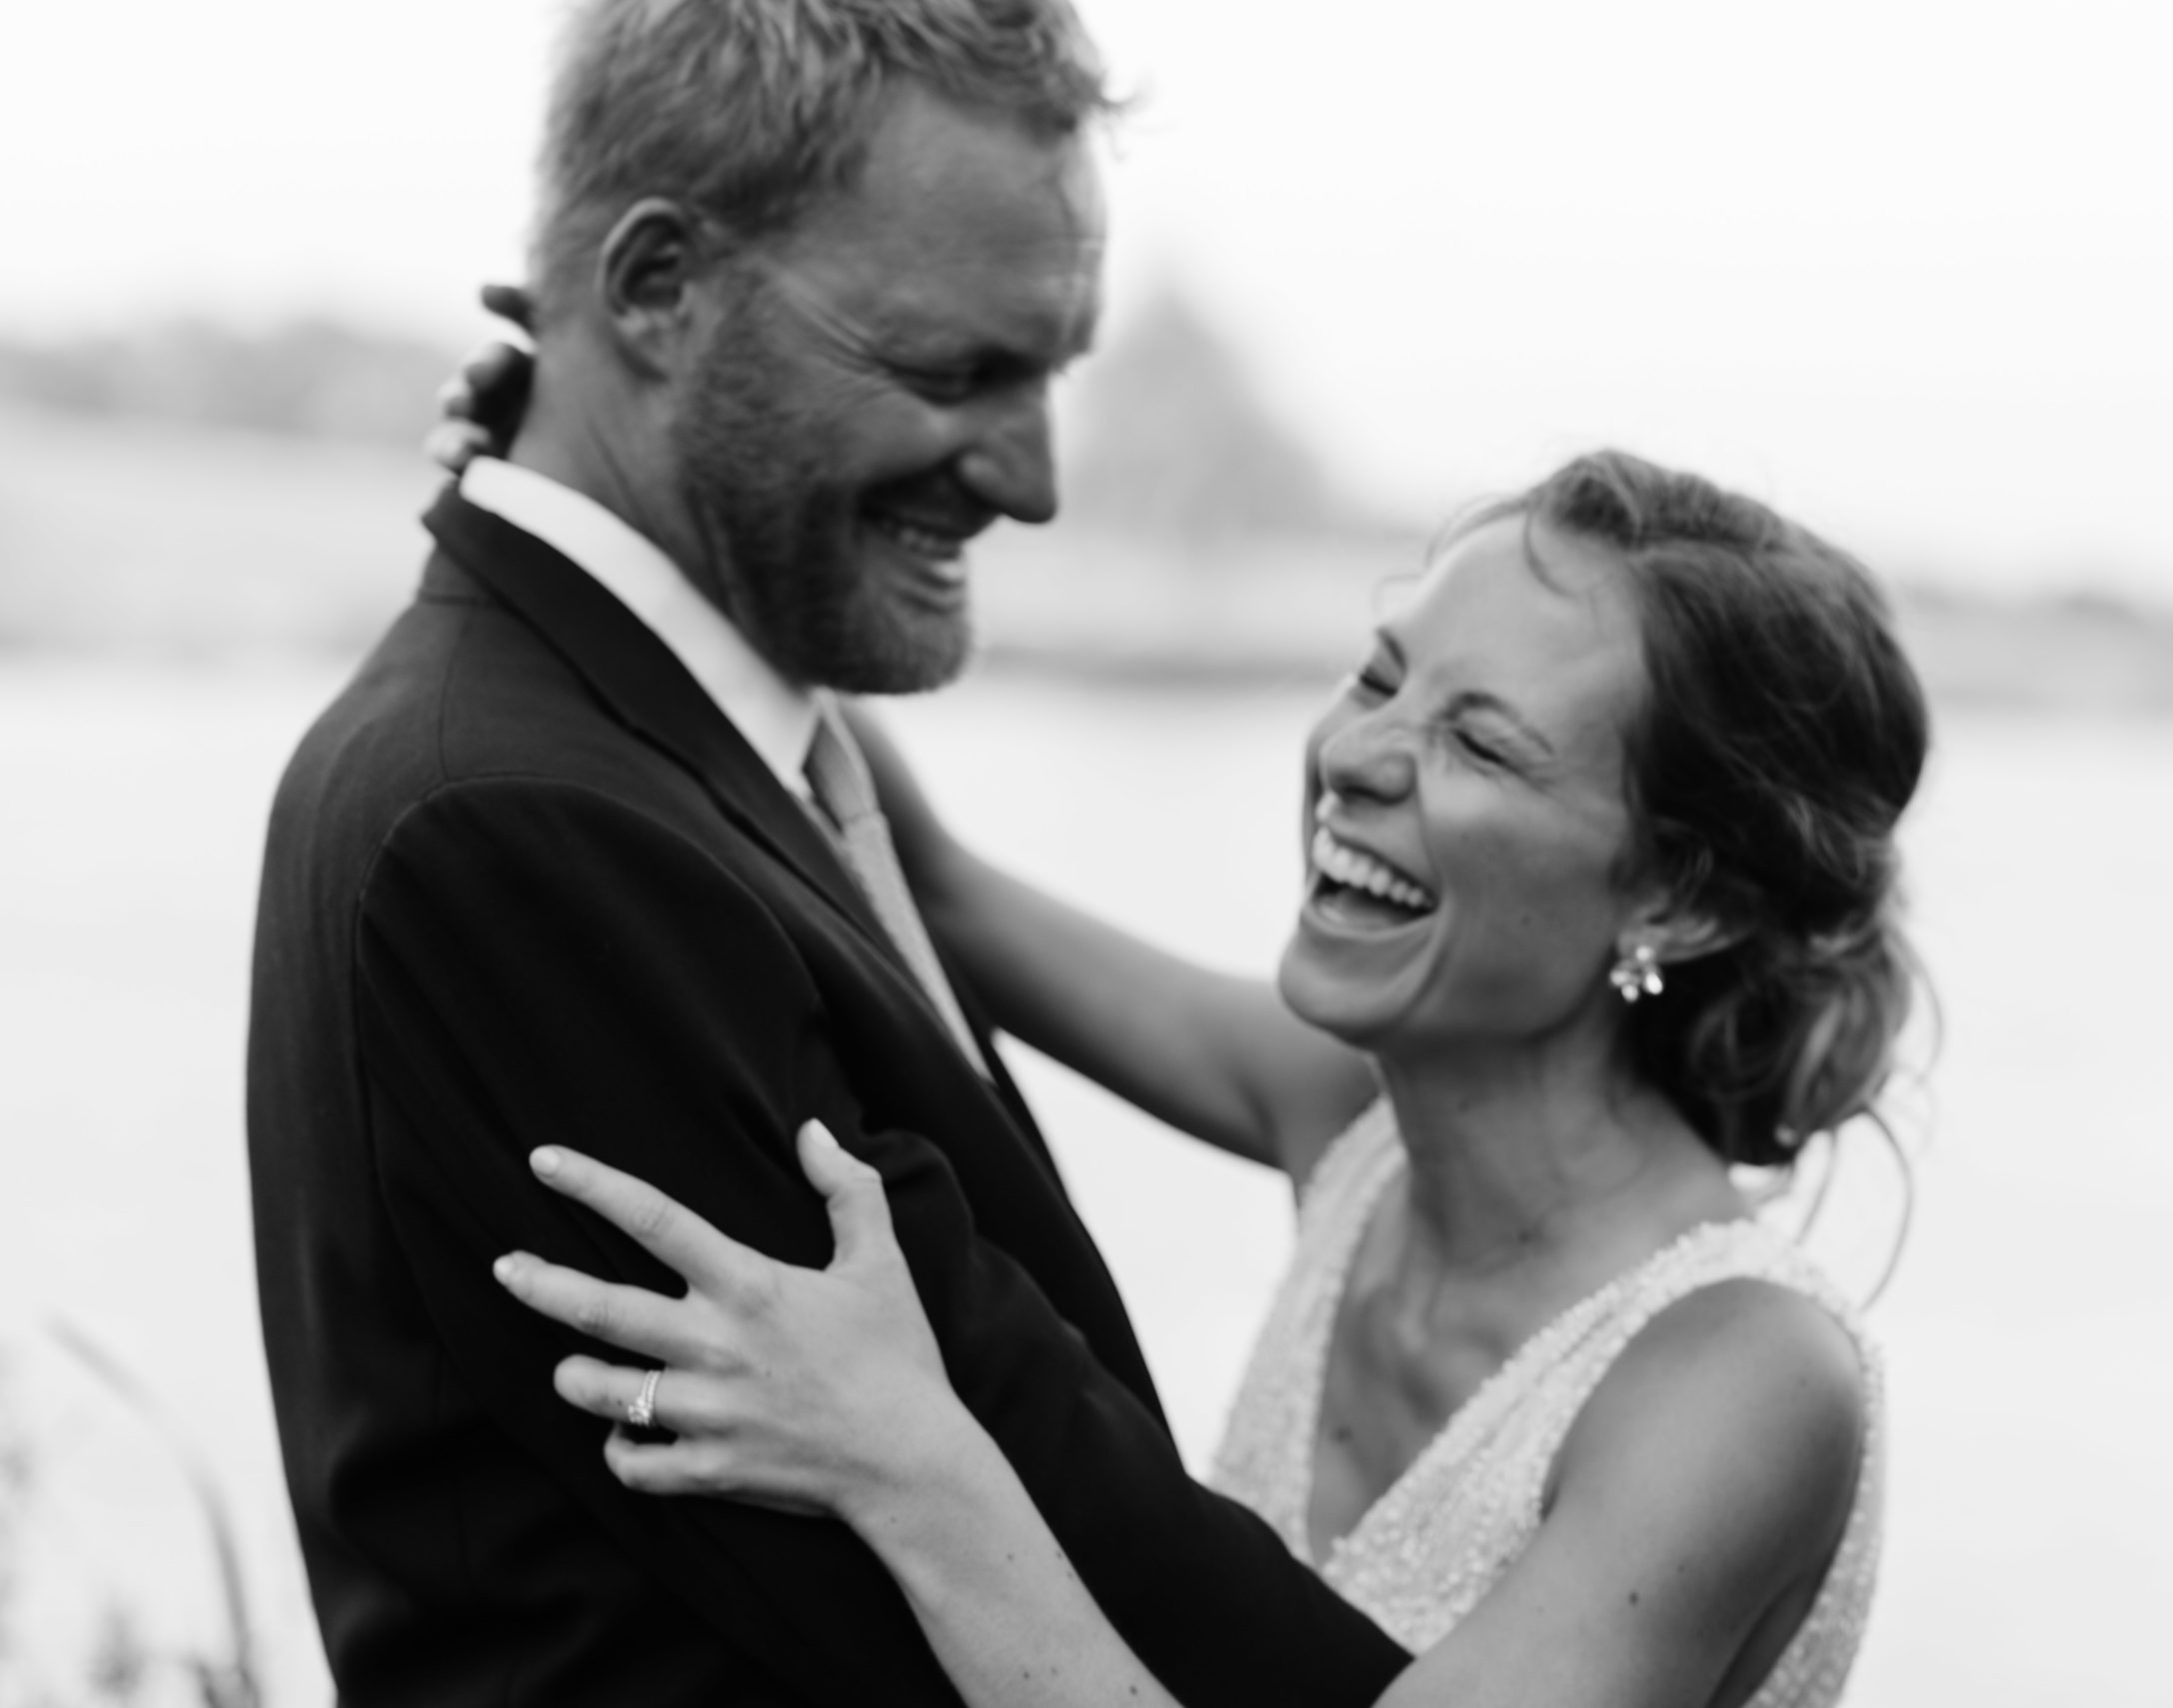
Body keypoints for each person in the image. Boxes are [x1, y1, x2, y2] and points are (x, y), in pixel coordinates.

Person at [244, 3, 1411, 1703]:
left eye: (1052, 369)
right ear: (656, 291)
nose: (1033, 479)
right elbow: (1002, 1488)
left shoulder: (690, 740)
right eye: (954, 373)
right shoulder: (525, 835)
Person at [476, 449, 1931, 1708]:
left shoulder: (1743, 1378)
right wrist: (591, 496)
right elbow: (943, 894)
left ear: (1680, 894)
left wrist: (904, 1453)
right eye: (1380, 671)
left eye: (1477, 740)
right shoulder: (1355, 1113)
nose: (1357, 754)